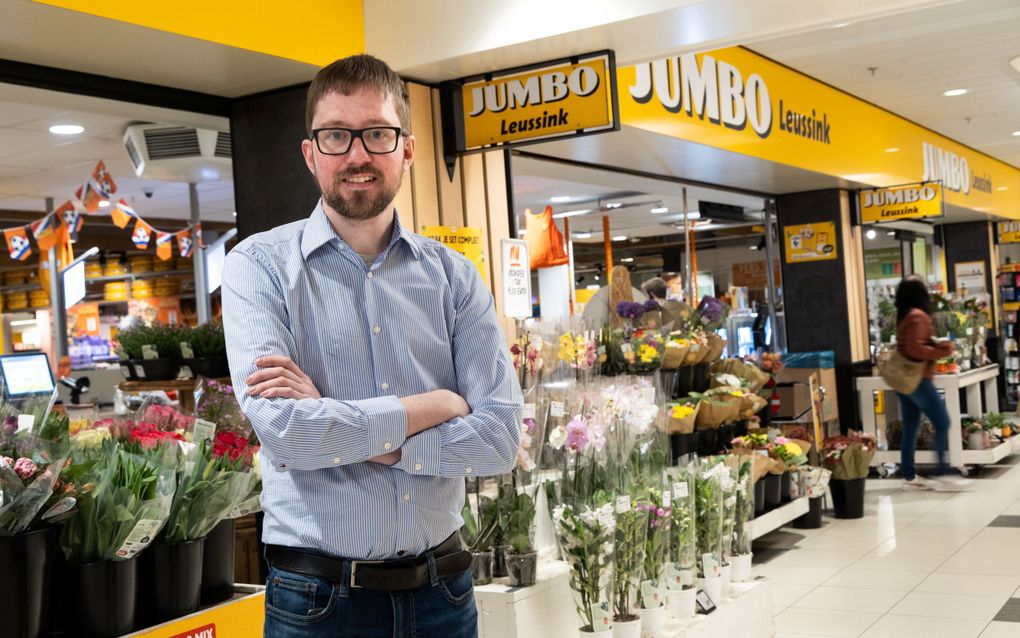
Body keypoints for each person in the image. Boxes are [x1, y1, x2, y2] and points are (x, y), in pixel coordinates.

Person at [221, 54, 522, 638]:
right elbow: (287, 432)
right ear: (311, 154)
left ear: (406, 149)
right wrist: (434, 406)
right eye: (336, 135)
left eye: (377, 134)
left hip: (445, 594)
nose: (357, 154)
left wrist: (358, 436)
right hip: (318, 604)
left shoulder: (455, 278)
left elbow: (501, 438)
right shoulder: (257, 269)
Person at [894, 276, 969, 491]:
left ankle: (908, 476)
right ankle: (943, 473)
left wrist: (934, 345)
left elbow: (911, 345)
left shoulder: (905, 316)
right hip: (918, 379)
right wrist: (941, 350)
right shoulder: (918, 316)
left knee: (910, 429)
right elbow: (916, 349)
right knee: (943, 422)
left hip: (903, 379)